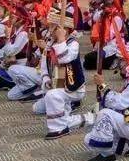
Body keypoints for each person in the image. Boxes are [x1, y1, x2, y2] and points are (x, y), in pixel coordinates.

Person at [82, 46, 129, 161]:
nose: (120, 64)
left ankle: (107, 154)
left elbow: (118, 102)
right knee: (91, 132)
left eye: (123, 61)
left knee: (105, 114)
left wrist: (102, 85)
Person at [36, 9, 93, 140]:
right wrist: (46, 79)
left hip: (73, 88)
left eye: (53, 27)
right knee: (38, 108)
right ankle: (87, 118)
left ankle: (58, 128)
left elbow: (64, 58)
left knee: (52, 96)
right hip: (57, 84)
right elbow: (44, 64)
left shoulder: (73, 44)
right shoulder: (51, 43)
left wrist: (61, 39)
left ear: (64, 30)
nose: (49, 29)